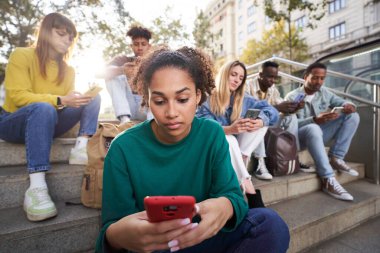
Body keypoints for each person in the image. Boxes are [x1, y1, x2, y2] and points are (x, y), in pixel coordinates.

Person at [96, 47, 289, 253]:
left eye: (182, 99)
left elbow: (233, 196)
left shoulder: (212, 133)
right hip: (157, 247)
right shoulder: (122, 148)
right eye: (160, 101)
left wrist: (226, 206)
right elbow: (111, 228)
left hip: (205, 236)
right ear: (147, 98)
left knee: (270, 225)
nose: (171, 112)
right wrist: (117, 235)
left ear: (197, 96)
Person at [0, 13, 101, 221]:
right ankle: (36, 189)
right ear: (46, 32)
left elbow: (63, 103)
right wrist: (61, 99)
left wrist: (74, 99)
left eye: (70, 37)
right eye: (61, 33)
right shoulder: (22, 55)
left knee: (93, 97)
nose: (67, 40)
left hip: (48, 121)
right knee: (43, 108)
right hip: (12, 122)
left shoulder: (69, 70)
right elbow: (18, 96)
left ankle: (81, 147)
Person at [196, 60, 279, 186]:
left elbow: (272, 111)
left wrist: (261, 121)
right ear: (224, 74)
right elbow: (204, 128)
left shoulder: (243, 98)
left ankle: (240, 163)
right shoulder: (207, 99)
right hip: (215, 146)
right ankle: (246, 183)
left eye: (241, 78)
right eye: (233, 75)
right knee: (230, 139)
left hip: (239, 148)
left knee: (261, 124)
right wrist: (230, 129)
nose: (237, 81)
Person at [285, 62, 360, 201]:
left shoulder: (324, 92)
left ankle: (336, 157)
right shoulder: (292, 96)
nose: (318, 82)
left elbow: (342, 101)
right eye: (315, 78)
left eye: (322, 78)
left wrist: (348, 106)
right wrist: (314, 119)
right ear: (306, 76)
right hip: (298, 139)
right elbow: (289, 126)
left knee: (352, 116)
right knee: (313, 127)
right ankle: (328, 179)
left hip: (318, 135)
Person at [246, 61, 316, 173]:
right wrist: (277, 108)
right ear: (260, 75)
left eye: (275, 77)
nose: (273, 81)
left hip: (268, 124)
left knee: (291, 117)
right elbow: (248, 113)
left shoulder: (272, 88)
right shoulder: (247, 86)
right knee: (259, 120)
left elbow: (281, 105)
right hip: (251, 124)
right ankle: (260, 164)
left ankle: (293, 156)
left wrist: (294, 107)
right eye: (270, 77)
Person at [97, 25, 152, 123]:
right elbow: (99, 73)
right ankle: (124, 120)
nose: (140, 48)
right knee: (112, 73)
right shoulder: (122, 60)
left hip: (146, 108)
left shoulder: (155, 61)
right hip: (127, 106)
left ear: (149, 46)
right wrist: (122, 70)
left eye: (143, 44)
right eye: (136, 44)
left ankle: (152, 123)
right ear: (131, 46)